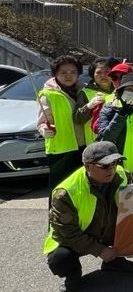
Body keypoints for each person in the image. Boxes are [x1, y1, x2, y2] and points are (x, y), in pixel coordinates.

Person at [43, 141, 133, 292]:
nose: (111, 169)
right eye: (104, 166)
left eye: (114, 163)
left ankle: (114, 261)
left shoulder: (122, 174)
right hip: (75, 237)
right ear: (87, 167)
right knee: (60, 259)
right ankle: (73, 274)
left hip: (106, 228)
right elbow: (67, 232)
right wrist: (99, 250)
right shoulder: (65, 193)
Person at [38, 55, 87, 192]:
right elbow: (42, 122)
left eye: (73, 72)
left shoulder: (85, 91)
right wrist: (45, 130)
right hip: (61, 150)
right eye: (63, 72)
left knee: (81, 188)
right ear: (55, 74)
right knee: (60, 189)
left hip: (84, 146)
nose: (68, 76)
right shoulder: (48, 94)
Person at [75, 57, 117, 146]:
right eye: (98, 72)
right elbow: (77, 119)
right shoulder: (85, 92)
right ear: (93, 75)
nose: (103, 75)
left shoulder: (119, 91)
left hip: (118, 141)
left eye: (107, 72)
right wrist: (89, 106)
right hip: (95, 143)